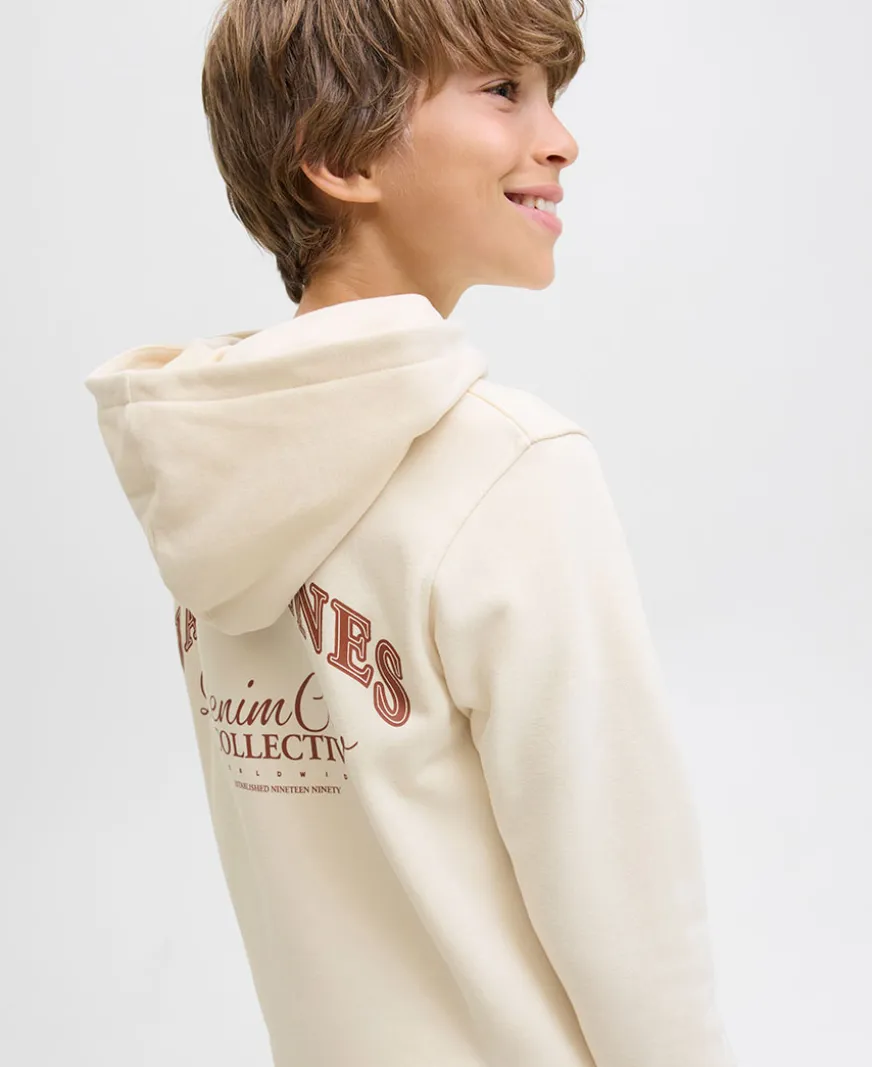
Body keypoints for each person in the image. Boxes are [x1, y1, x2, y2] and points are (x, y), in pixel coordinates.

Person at [84, 1, 737, 1064]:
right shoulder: (512, 470)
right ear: (341, 154)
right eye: (503, 91)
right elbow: (628, 914)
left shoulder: (216, 464)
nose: (561, 139)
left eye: (550, 95)